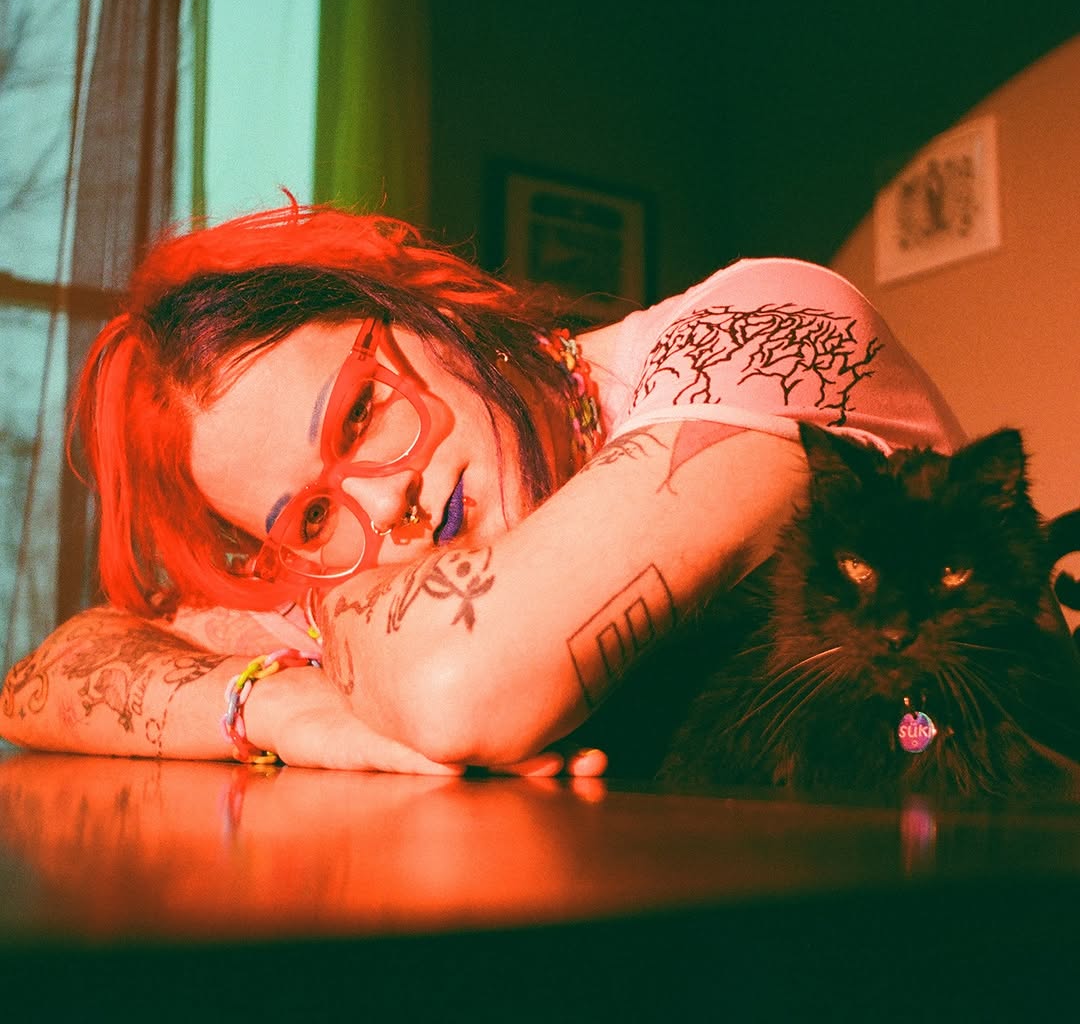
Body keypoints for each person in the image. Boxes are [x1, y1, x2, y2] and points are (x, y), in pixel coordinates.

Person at [0, 204, 963, 776]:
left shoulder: (763, 326)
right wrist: (279, 707)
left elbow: (459, 684)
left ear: (427, 315)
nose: (387, 508)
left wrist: (329, 638)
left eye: (359, 415)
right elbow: (47, 675)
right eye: (314, 516)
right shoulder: (350, 568)